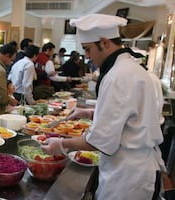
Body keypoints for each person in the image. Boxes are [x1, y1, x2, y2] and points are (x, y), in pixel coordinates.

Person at [41, 14, 166, 200]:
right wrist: (90, 112)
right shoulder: (129, 68)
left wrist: (61, 144)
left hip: (127, 176)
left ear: (105, 42)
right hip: (134, 167)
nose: (87, 56)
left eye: (88, 49)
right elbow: (127, 116)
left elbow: (98, 140)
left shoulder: (118, 76)